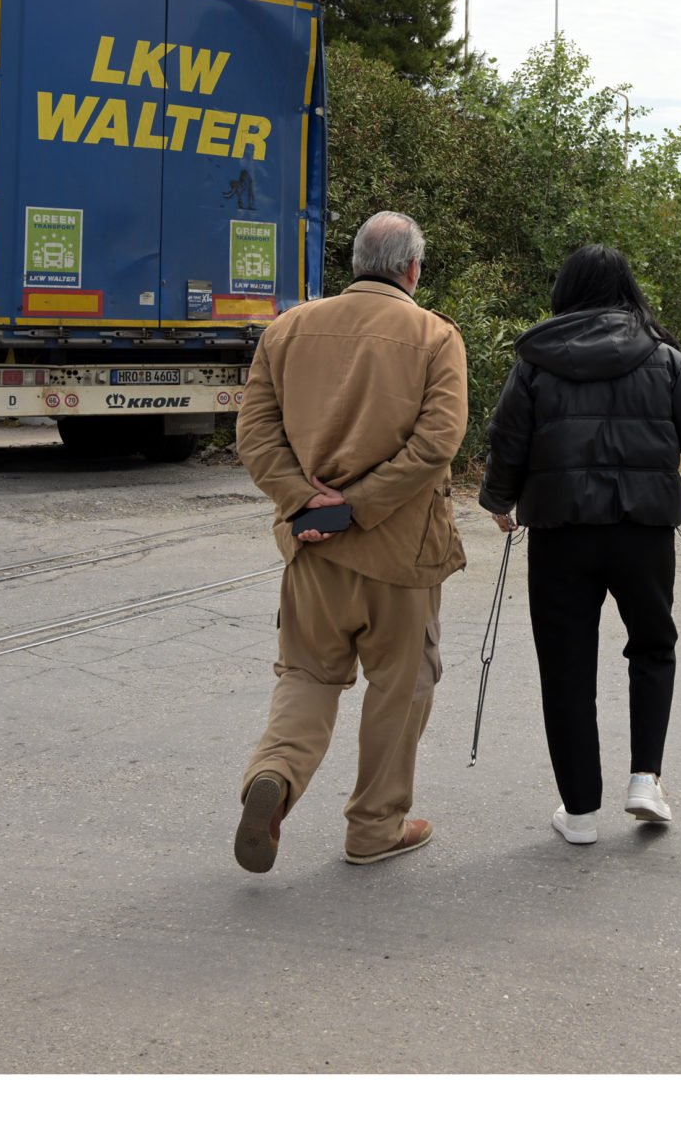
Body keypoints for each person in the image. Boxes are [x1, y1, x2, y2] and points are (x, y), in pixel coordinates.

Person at [477, 245, 681, 845]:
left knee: (565, 666)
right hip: (643, 533)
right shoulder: (665, 359)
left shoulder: (536, 362)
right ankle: (645, 780)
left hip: (559, 535)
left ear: (565, 292)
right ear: (627, 289)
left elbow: (508, 438)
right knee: (652, 647)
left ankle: (579, 813)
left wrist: (499, 501)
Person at [230, 211, 467, 874]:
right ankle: (374, 828)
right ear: (413, 268)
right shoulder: (434, 336)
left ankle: (271, 776)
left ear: (356, 260)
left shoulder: (287, 330)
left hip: (311, 547)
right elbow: (436, 444)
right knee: (402, 683)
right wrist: (359, 507)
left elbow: (254, 437)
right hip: (402, 553)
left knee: (307, 675)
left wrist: (307, 501)